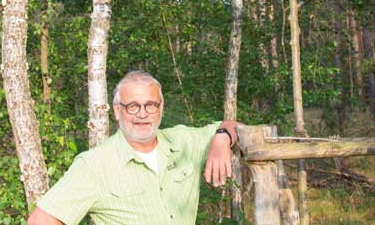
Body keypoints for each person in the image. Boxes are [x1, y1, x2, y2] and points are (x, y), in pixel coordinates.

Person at [27, 70, 239, 225]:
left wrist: (221, 138)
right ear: (117, 111)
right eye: (132, 106)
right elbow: (41, 221)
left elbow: (235, 126)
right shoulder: (93, 165)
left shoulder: (183, 141)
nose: (142, 114)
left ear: (161, 108)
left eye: (150, 105)